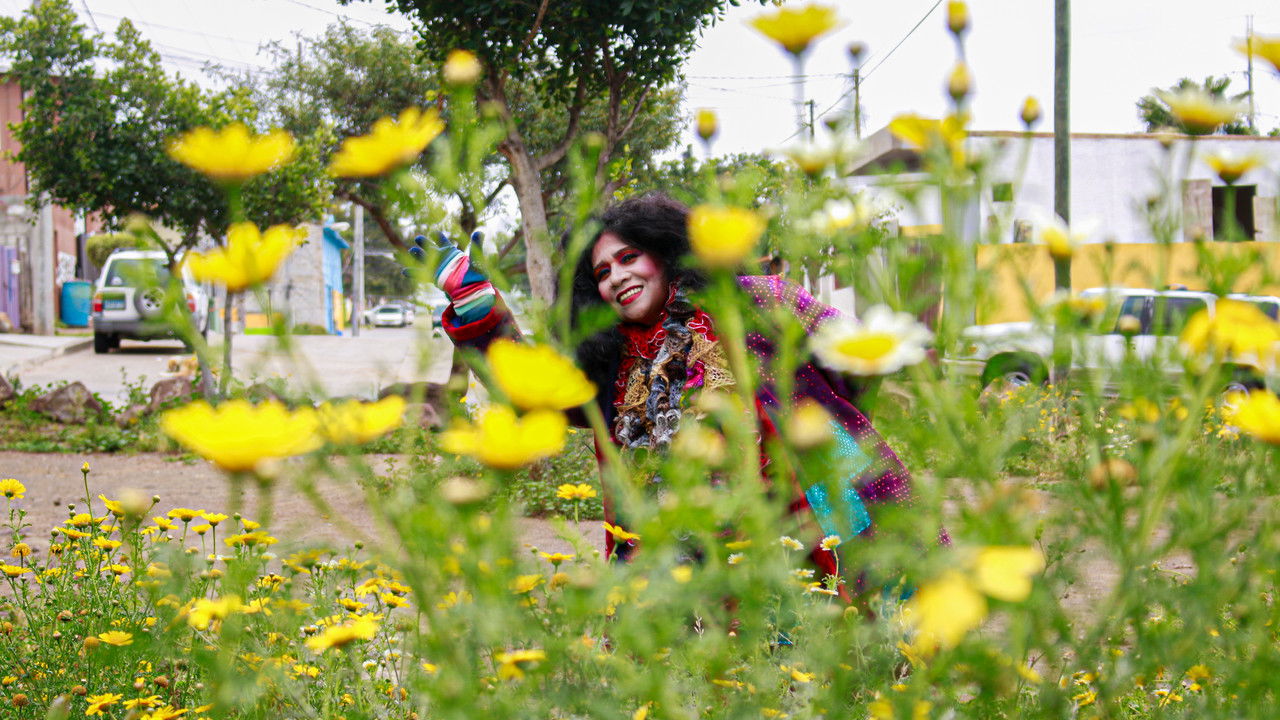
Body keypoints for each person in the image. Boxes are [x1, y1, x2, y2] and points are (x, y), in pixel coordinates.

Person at [429, 193, 918, 602]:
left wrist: (832, 429)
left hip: (800, 541)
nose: (617, 277)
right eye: (602, 273)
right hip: (674, 575)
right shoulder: (611, 365)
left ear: (665, 253)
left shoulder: (754, 301)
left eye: (628, 258)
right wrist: (478, 308)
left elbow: (854, 351)